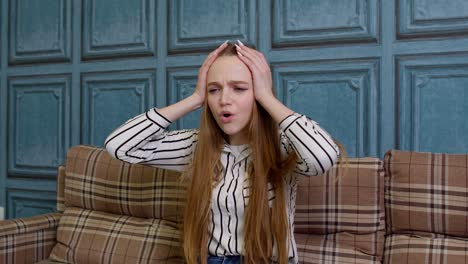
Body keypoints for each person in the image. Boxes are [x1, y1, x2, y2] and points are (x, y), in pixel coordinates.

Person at [104, 40, 343, 264]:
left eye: (239, 88)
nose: (224, 100)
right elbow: (120, 146)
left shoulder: (283, 146)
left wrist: (266, 96)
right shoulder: (196, 146)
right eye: (214, 90)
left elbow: (324, 156)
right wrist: (195, 98)